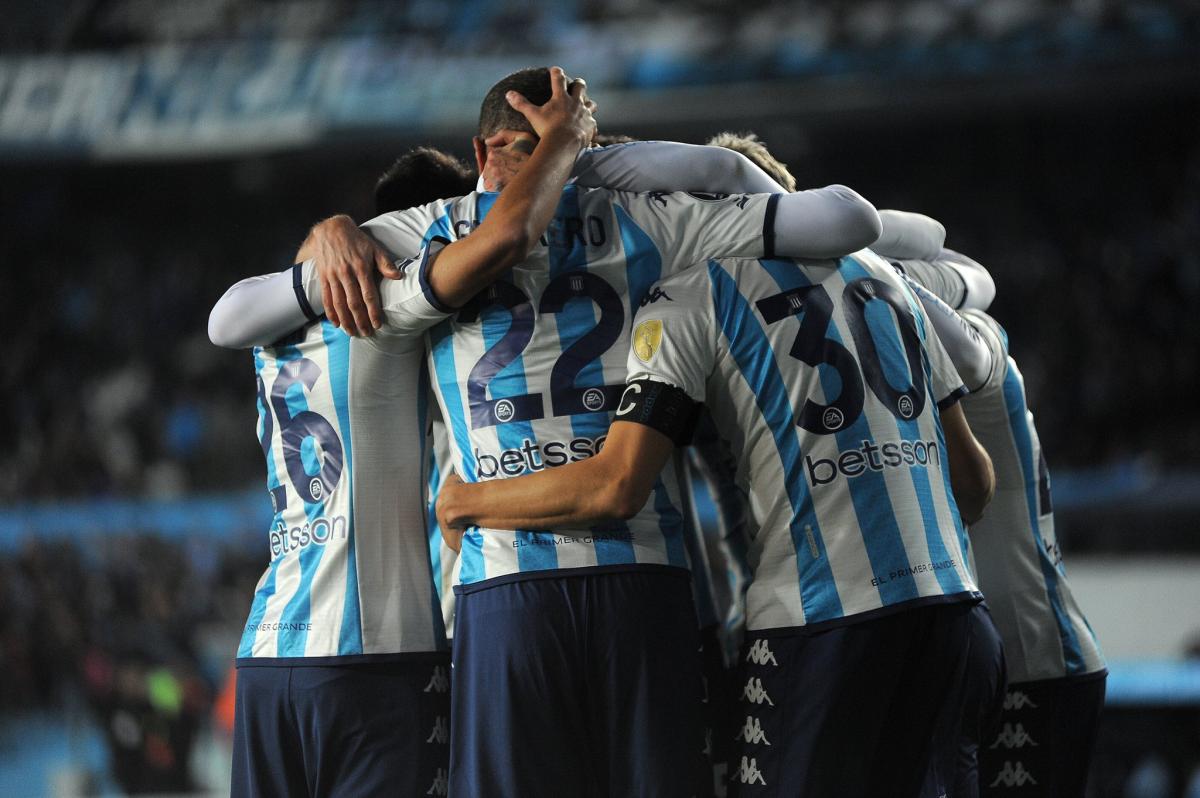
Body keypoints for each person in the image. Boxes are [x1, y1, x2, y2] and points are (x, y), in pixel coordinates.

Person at [436, 240, 996, 797]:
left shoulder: (690, 295)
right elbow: (974, 486)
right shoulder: (888, 281)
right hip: (957, 616)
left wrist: (465, 502)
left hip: (823, 622)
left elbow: (619, 483)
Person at [208, 70, 597, 797]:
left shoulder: (274, 329)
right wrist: (566, 145)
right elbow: (505, 233)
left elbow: (223, 317)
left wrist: (329, 229)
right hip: (377, 660)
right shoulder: (392, 302)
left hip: (268, 652)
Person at [894, 271, 1107, 797]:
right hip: (989, 658)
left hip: (1039, 658)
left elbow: (966, 356)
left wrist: (879, 277)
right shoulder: (900, 377)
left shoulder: (982, 336)